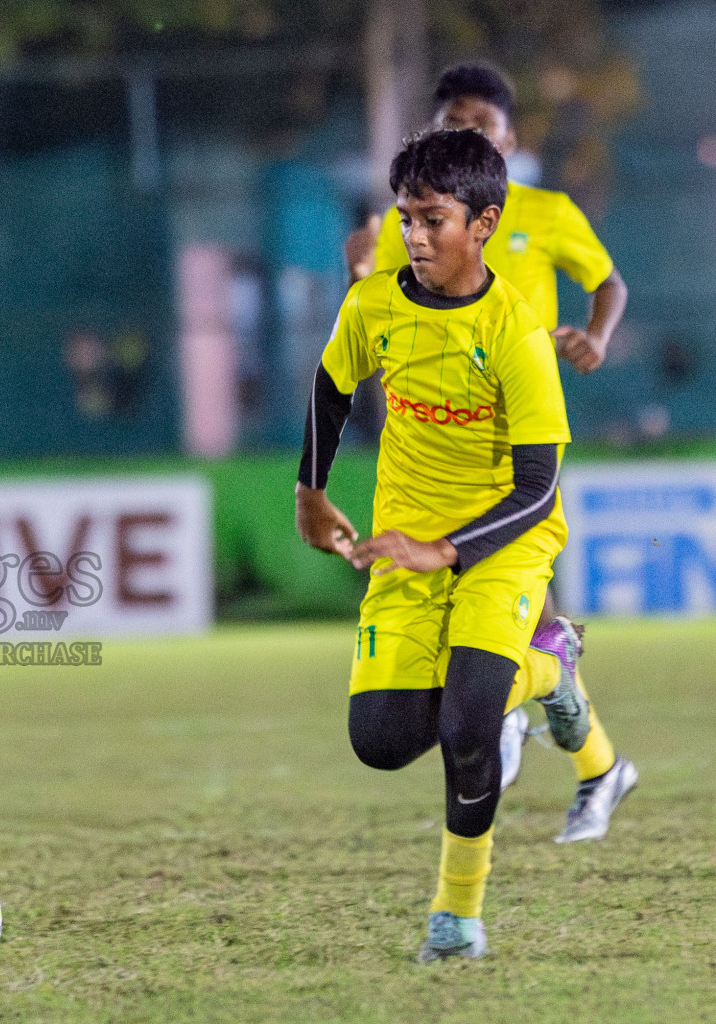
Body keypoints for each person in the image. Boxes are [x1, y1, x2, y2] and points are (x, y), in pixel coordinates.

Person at [296, 129, 636, 961]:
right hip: (405, 540)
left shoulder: (515, 332)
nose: (413, 237)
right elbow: (332, 386)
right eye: (407, 218)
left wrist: (445, 550)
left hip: (501, 546)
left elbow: (536, 489)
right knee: (379, 743)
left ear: (482, 224)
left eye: (432, 221)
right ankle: (550, 676)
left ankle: (455, 918)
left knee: (469, 721)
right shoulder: (373, 304)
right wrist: (309, 490)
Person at [344, 62, 631, 841]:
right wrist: (354, 271)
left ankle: (582, 760)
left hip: (515, 451)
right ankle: (598, 767)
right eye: (448, 125)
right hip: (436, 448)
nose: (461, 135)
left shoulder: (541, 211)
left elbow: (608, 283)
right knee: (512, 652)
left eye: (476, 124)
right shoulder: (419, 216)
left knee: (503, 649)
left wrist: (595, 337)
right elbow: (374, 313)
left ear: (509, 137)